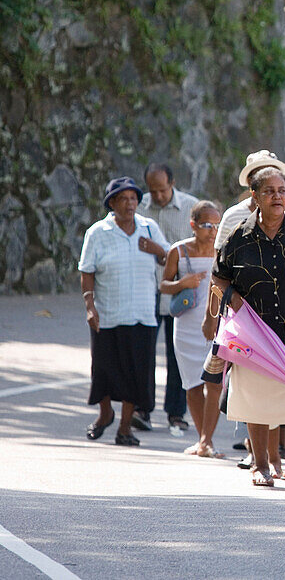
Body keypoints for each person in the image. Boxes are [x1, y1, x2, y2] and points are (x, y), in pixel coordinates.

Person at [206, 167, 285, 487]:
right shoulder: (239, 237)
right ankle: (261, 464)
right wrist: (236, 303)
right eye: (268, 191)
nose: (278, 196)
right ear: (254, 196)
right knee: (256, 400)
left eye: (281, 190)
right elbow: (218, 275)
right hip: (254, 335)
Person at [79, 177, 169, 447]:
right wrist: (90, 307)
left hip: (142, 313)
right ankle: (105, 413)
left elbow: (167, 257)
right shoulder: (98, 232)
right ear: (112, 203)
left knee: (136, 372)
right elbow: (87, 270)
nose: (130, 204)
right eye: (123, 199)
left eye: (133, 199)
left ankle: (125, 428)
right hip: (108, 314)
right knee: (104, 370)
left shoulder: (149, 228)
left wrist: (157, 250)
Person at [138, 162, 199, 433]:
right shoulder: (139, 208)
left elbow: (198, 248)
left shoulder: (191, 208)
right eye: (153, 191)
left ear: (172, 183)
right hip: (147, 290)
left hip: (180, 291)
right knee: (144, 352)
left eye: (162, 190)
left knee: (178, 355)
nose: (158, 197)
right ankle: (142, 408)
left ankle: (176, 412)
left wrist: (161, 252)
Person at [160, 201, 223, 457]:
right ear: (193, 224)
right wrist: (182, 283)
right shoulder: (179, 250)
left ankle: (207, 439)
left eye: (217, 225)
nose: (213, 230)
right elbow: (164, 285)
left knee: (216, 383)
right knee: (192, 384)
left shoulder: (222, 250)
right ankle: (202, 440)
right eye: (207, 224)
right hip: (186, 325)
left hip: (218, 322)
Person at [214, 150, 285, 252]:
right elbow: (220, 257)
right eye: (262, 174)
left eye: (273, 173)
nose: (269, 178)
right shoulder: (232, 217)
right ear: (250, 181)